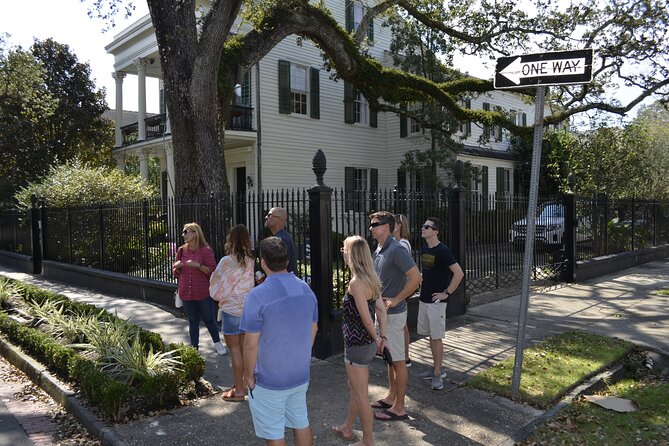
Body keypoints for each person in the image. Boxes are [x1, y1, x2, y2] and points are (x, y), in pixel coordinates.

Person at [241, 237, 318, 446]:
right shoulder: (306, 290)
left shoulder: (258, 295)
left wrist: (248, 375)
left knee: (274, 431)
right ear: (287, 259)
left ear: (263, 262)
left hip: (270, 377)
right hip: (300, 373)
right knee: (300, 421)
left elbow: (250, 343)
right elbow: (313, 328)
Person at [331, 236, 388, 445]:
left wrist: (379, 338)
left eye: (344, 249)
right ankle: (347, 427)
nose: (342, 252)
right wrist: (382, 337)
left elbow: (366, 318)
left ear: (352, 254)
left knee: (361, 395)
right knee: (354, 387)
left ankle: (367, 441)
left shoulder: (356, 283)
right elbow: (381, 310)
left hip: (357, 346)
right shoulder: (371, 278)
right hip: (367, 345)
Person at [368, 211, 421, 422]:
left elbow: (415, 277)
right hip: (382, 313)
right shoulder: (380, 248)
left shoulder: (397, 249)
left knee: (399, 361)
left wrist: (397, 299)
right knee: (390, 359)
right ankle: (391, 397)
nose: (371, 228)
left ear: (388, 227)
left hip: (394, 315)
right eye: (371, 224)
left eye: (375, 224)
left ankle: (400, 407)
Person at [417, 217, 464, 390]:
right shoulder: (423, 249)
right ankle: (436, 367)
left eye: (427, 227)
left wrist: (446, 293)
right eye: (423, 225)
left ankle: (438, 374)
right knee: (430, 334)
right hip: (424, 298)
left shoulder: (443, 250)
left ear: (436, 231)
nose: (423, 228)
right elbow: (428, 271)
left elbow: (458, 273)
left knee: (436, 337)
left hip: (436, 301)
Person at [210, 224, 255, 401]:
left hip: (231, 310)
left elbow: (216, 283)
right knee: (245, 351)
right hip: (247, 309)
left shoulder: (226, 261)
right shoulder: (250, 260)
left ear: (231, 239)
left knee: (235, 351)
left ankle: (239, 390)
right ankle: (245, 384)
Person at [172, 222, 226, 355]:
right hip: (186, 292)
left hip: (202, 292)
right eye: (183, 232)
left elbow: (212, 271)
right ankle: (194, 349)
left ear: (195, 233)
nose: (183, 234)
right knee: (193, 320)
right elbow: (175, 273)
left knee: (208, 319)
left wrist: (198, 265)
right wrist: (177, 267)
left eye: (186, 231)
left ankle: (217, 343)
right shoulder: (181, 250)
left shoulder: (206, 251)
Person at [393, 213, 412, 368]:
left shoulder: (403, 244)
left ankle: (405, 356)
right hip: (398, 287)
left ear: (399, 226)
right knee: (402, 323)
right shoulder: (395, 243)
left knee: (402, 324)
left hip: (401, 289)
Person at [264, 207, 296, 273]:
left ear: (280, 220)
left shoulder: (282, 239)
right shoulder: (283, 237)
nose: (266, 217)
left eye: (270, 215)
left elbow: (277, 268)